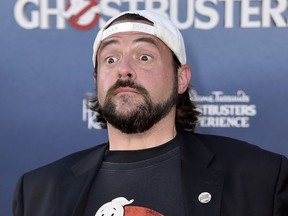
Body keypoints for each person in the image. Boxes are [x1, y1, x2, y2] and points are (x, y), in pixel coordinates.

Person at [13, 10, 288, 216]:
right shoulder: (39, 191)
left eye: (144, 56)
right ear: (97, 81)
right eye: (111, 59)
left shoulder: (259, 177)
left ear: (181, 79)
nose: (124, 69)